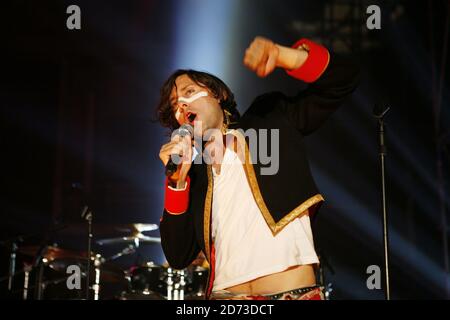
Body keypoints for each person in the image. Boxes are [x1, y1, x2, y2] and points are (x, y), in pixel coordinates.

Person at [156, 36, 359, 300]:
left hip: (289, 293)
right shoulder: (194, 175)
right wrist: (177, 184)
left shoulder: (269, 120)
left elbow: (344, 78)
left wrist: (286, 56)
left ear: (218, 95)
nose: (181, 106)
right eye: (174, 106)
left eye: (189, 92)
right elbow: (177, 255)